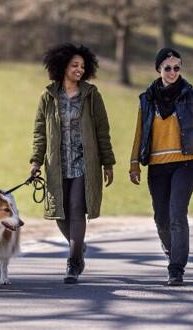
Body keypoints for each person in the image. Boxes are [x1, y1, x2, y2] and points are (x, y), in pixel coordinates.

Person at [128, 47, 193, 286]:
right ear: (159, 69)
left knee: (177, 214)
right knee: (161, 218)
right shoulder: (146, 99)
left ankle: (176, 268)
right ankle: (170, 249)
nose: (173, 72)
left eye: (177, 68)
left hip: (185, 164)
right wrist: (134, 163)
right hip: (156, 166)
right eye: (168, 68)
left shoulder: (190, 95)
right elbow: (139, 132)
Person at [30, 43, 115, 284]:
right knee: (59, 213)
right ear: (62, 66)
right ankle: (78, 246)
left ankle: (74, 262)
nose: (79, 69)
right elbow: (39, 133)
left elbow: (102, 131)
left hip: (84, 162)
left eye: (82, 66)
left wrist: (108, 163)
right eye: (74, 65)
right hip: (57, 164)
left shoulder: (91, 95)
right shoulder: (48, 96)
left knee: (77, 208)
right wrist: (36, 161)